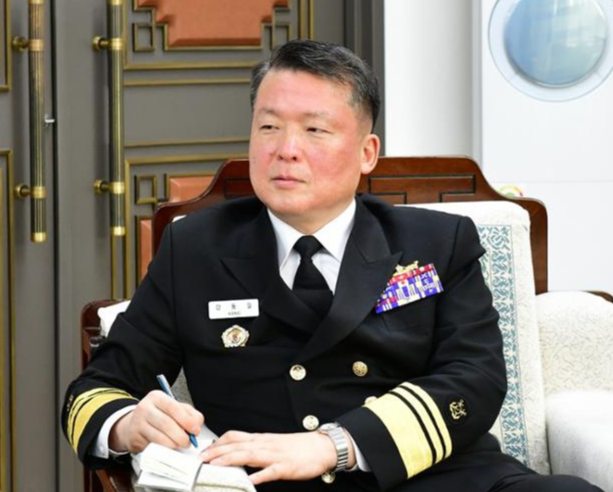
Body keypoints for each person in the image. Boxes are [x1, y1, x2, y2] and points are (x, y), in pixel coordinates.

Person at [62, 40, 602, 492]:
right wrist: (128, 424)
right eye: (268, 127)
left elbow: (475, 381)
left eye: (315, 130)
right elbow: (94, 391)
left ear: (367, 152)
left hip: (432, 477)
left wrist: (334, 444)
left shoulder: (438, 242)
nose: (285, 150)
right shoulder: (196, 248)